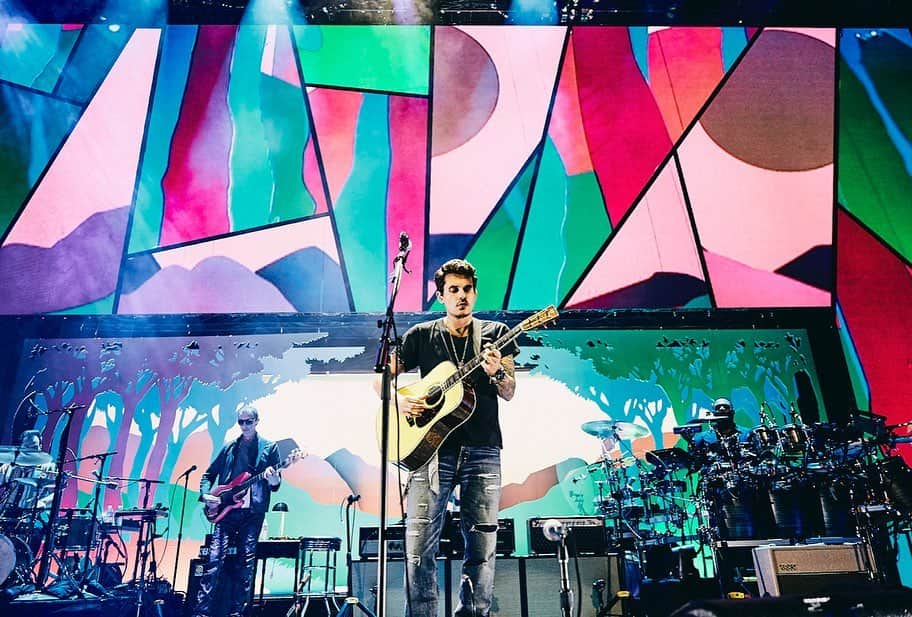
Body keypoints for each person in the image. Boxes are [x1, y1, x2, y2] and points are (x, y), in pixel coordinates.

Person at [376, 258, 518, 617]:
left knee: (482, 544)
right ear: (441, 296)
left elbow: (509, 390)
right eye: (453, 290)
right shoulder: (421, 335)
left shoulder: (496, 333)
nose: (461, 296)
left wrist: (496, 370)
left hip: (483, 448)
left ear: (475, 293)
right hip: (429, 451)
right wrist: (403, 398)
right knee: (419, 544)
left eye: (467, 289)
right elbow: (381, 381)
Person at [194, 405, 282, 617]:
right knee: (214, 560)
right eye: (240, 422)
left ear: (257, 421)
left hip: (253, 512)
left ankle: (237, 613)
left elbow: (276, 484)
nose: (244, 426)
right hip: (226, 511)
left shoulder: (269, 447)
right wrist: (206, 495)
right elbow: (208, 475)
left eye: (248, 422)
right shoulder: (229, 447)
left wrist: (274, 478)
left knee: (246, 563)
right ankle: (201, 612)